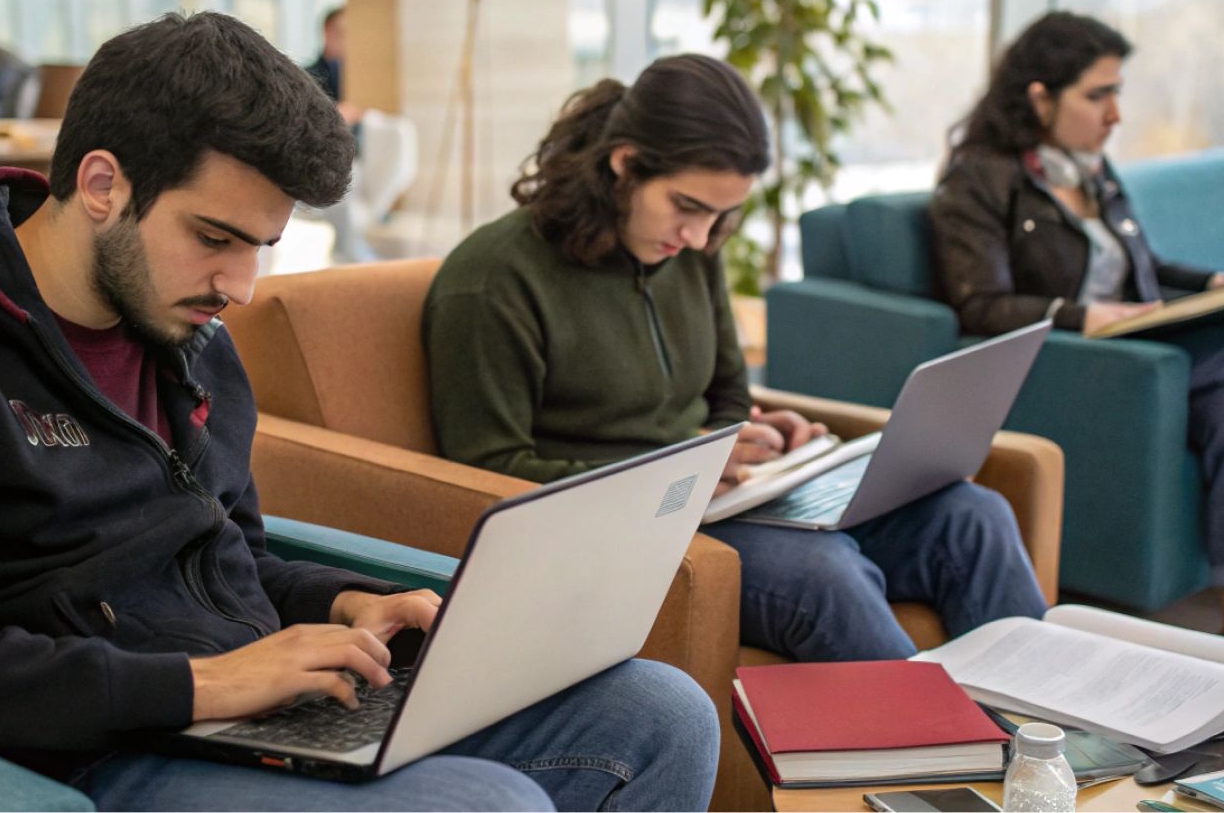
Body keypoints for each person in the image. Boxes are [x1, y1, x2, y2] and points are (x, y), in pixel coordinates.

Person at [0, 12, 719, 813]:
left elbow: (231, 558)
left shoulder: (193, 338)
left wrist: (343, 600)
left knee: (660, 713)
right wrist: (204, 686)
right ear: (104, 183)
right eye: (215, 237)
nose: (242, 287)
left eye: (262, 246)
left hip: (258, 705)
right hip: (95, 744)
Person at [422, 53, 1048, 664]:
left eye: (722, 214)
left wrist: (755, 441)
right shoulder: (494, 280)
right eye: (688, 207)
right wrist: (676, 470)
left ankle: (1057, 742)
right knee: (824, 574)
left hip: (721, 503)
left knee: (974, 515)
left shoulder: (692, 248)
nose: (699, 237)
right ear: (624, 164)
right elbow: (489, 473)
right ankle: (941, 762)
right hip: (621, 531)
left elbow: (725, 397)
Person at [928, 10, 1224, 647]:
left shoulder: (1090, 168)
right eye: (1097, 95)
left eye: (1117, 93)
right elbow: (979, 305)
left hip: (1141, 355)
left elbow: (1145, 265)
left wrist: (1214, 284)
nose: (1115, 114)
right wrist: (1085, 315)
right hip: (1084, 364)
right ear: (1040, 96)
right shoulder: (980, 178)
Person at [306, 6, 361, 126]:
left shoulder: (360, 79)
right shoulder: (306, 78)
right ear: (327, 31)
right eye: (341, 33)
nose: (346, 42)